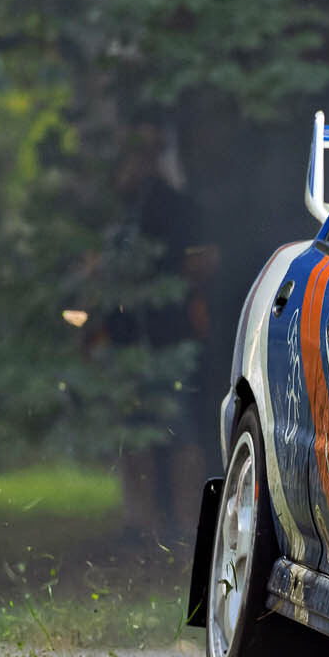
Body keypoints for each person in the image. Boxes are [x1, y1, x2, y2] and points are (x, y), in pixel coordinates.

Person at [99, 125, 219, 544]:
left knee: (180, 430)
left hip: (172, 337)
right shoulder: (114, 211)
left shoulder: (176, 206)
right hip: (125, 339)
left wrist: (169, 283)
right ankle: (141, 526)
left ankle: (186, 525)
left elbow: (205, 261)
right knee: (133, 435)